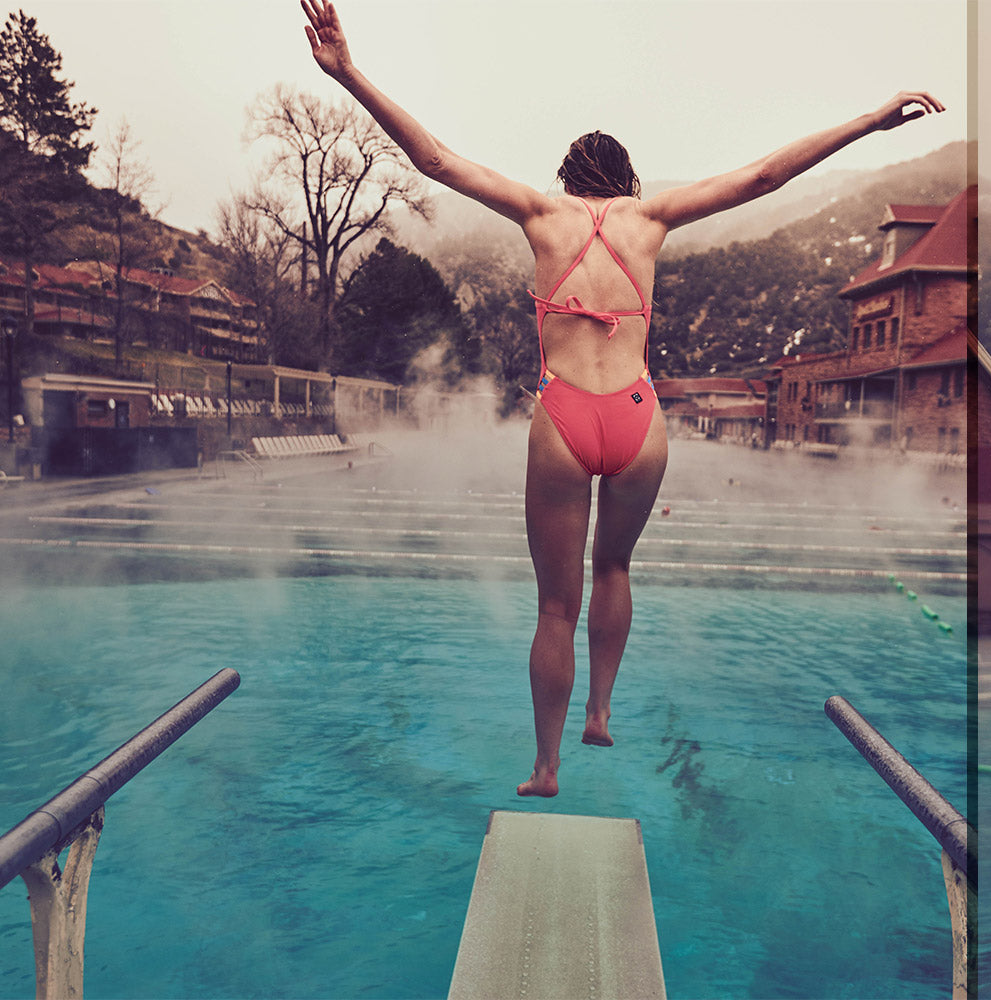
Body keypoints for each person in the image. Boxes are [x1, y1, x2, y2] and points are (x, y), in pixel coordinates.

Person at [301, 0, 943, 797]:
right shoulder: (652, 218)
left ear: (566, 178)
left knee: (553, 607)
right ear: (627, 179)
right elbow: (767, 174)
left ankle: (545, 765)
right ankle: (601, 711)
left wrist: (349, 72)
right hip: (639, 422)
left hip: (564, 422)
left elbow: (433, 159)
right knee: (615, 568)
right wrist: (869, 121)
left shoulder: (540, 213)